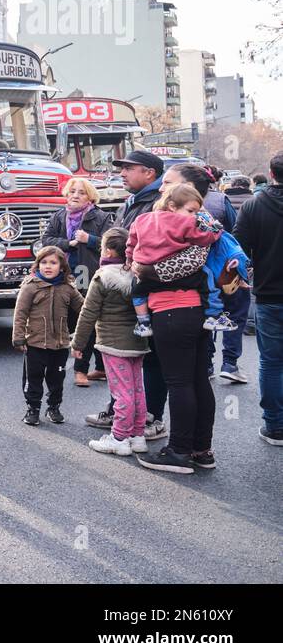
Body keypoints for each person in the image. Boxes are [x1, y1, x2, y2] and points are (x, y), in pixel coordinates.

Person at [127, 186, 221, 474]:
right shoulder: (194, 229)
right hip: (199, 311)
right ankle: (201, 449)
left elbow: (132, 255)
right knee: (198, 381)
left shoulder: (143, 222)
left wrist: (135, 263)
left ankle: (179, 452)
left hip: (169, 312)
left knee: (179, 383)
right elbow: (210, 235)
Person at [87, 150, 168, 438]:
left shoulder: (158, 203)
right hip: (128, 289)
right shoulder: (133, 201)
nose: (122, 173)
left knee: (152, 356)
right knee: (125, 355)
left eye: (128, 168)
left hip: (148, 289)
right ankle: (120, 409)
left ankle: (151, 418)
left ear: (149, 172)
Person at [167, 162, 250, 374]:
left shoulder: (176, 209)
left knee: (212, 312)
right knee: (223, 312)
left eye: (167, 182)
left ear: (188, 186)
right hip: (215, 273)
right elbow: (233, 234)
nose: (162, 187)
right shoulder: (217, 202)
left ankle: (210, 363)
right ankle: (228, 363)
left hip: (205, 276)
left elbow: (228, 236)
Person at [72, 228, 149, 456]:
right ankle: (137, 435)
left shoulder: (103, 277)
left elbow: (88, 313)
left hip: (113, 343)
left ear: (106, 250)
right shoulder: (137, 275)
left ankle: (118, 437)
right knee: (137, 389)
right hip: (138, 341)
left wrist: (78, 343)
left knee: (121, 392)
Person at [39, 177, 112, 386]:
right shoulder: (59, 217)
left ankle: (85, 369)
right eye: (72, 192)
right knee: (75, 322)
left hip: (90, 275)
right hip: (65, 276)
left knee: (89, 323)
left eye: (81, 192)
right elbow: (47, 240)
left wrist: (88, 239)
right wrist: (68, 243)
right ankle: (94, 367)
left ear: (90, 196)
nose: (75, 196)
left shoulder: (102, 217)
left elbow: (112, 244)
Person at [125, 184, 224, 336]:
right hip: (171, 265)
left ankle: (143, 322)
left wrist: (130, 259)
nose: (194, 216)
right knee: (207, 277)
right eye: (191, 211)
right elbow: (204, 238)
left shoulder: (141, 219)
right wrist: (216, 230)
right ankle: (214, 314)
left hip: (144, 266)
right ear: (172, 206)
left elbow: (131, 242)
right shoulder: (185, 222)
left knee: (137, 292)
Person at [233, 151, 283, 447]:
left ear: (271, 173)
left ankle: (275, 426)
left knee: (272, 362)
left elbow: (239, 250)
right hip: (269, 296)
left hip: (269, 295)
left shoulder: (254, 206)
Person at [12, 245, 83, 426]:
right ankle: (33, 408)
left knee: (57, 379)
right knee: (33, 378)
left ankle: (54, 407)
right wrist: (18, 337)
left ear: (62, 266)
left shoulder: (68, 288)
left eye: (53, 262)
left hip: (59, 345)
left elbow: (84, 308)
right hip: (35, 343)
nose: (48, 266)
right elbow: (20, 313)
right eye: (44, 262)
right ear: (38, 265)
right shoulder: (30, 286)